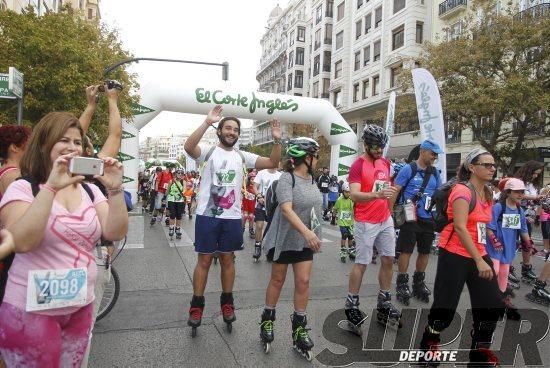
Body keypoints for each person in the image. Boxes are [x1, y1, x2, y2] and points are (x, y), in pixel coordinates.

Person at [0, 112, 128, 367]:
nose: (72, 147)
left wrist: (115, 189)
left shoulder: (90, 190)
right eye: (63, 140)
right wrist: (50, 188)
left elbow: (115, 231)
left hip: (81, 305)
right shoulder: (23, 188)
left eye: (77, 142)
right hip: (30, 311)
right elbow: (23, 241)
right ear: (44, 143)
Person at [183, 105, 281, 333]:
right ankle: (196, 305)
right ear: (220, 131)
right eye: (227, 128)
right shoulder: (208, 152)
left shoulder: (242, 156)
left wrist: (277, 141)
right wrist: (207, 121)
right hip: (207, 216)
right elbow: (189, 147)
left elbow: (272, 163)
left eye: (235, 129)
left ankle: (227, 303)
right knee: (204, 261)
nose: (231, 132)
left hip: (232, 217)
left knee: (228, 260)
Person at [419, 148, 505, 366]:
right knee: (445, 306)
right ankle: (429, 343)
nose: (492, 168)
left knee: (491, 304)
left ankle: (478, 354)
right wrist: (478, 260)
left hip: (479, 252)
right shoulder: (462, 191)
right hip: (455, 254)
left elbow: (481, 225)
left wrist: (490, 243)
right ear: (471, 167)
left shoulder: (487, 193)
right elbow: (459, 226)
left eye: (493, 165)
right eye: (486, 165)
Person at [259, 138, 322, 359]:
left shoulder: (313, 179)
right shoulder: (287, 178)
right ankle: (267, 320)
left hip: (305, 240)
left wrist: (314, 233)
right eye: (316, 155)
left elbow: (314, 210)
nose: (317, 160)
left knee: (303, 282)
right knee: (277, 280)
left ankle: (299, 328)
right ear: (307, 157)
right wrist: (308, 232)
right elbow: (286, 209)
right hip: (285, 238)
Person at [343, 124, 401, 335]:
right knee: (362, 263)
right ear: (366, 145)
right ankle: (351, 306)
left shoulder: (385, 163)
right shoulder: (358, 166)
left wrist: (390, 210)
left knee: (388, 259)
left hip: (384, 218)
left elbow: (388, 189)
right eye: (375, 147)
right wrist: (376, 196)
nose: (379, 150)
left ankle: (384, 302)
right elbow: (355, 195)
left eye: (381, 147)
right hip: (365, 221)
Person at [390, 140, 443, 306]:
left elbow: (439, 194)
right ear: (423, 152)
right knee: (406, 251)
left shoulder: (434, 173)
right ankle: (402, 283)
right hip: (409, 216)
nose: (435, 157)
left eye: (436, 154)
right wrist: (389, 213)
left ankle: (418, 281)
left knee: (425, 251)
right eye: (433, 153)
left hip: (428, 218)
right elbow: (395, 190)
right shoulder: (409, 169)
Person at [486, 178, 532, 320]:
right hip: (495, 248)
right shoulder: (499, 207)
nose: (520, 194)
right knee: (495, 271)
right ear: (508, 192)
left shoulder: (519, 210)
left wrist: (529, 244)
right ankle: (489, 301)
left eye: (522, 192)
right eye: (516, 191)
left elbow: (523, 230)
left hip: (509, 247)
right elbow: (489, 227)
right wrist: (494, 240)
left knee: (504, 273)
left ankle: (500, 301)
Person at [513, 160, 545, 284]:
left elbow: (533, 200)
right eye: (535, 173)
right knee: (512, 241)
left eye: (538, 174)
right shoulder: (518, 181)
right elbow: (515, 195)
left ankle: (526, 268)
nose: (536, 176)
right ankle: (507, 267)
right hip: (515, 214)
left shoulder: (533, 184)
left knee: (527, 242)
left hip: (528, 216)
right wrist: (534, 197)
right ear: (529, 171)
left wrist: (538, 201)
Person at [253, 166, 282, 261]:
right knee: (259, 226)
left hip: (273, 206)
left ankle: (270, 249)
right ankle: (257, 247)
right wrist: (258, 196)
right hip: (261, 203)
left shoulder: (280, 175)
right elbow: (255, 186)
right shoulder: (261, 173)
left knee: (272, 229)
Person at [332, 182, 356, 262]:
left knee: (350, 237)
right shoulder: (339, 200)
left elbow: (355, 208)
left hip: (350, 222)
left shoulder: (352, 199)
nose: (347, 194)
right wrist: (333, 218)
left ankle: (351, 251)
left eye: (349, 192)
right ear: (342, 191)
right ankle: (343, 250)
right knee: (344, 235)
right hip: (342, 222)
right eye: (346, 192)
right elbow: (335, 209)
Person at [167, 169, 186, 240]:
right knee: (172, 214)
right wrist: (164, 198)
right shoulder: (171, 181)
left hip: (180, 200)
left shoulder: (183, 181)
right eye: (179, 173)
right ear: (175, 174)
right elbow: (168, 190)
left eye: (182, 173)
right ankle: (171, 228)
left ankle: (177, 229)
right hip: (171, 199)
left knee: (179, 215)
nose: (180, 174)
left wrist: (181, 193)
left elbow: (184, 189)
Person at [242, 170, 257, 238]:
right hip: (245, 205)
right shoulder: (245, 187)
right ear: (249, 179)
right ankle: (241, 229)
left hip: (252, 206)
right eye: (252, 179)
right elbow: (240, 189)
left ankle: (251, 230)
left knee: (251, 217)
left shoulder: (256, 188)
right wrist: (245, 191)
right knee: (244, 217)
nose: (253, 181)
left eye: (254, 179)